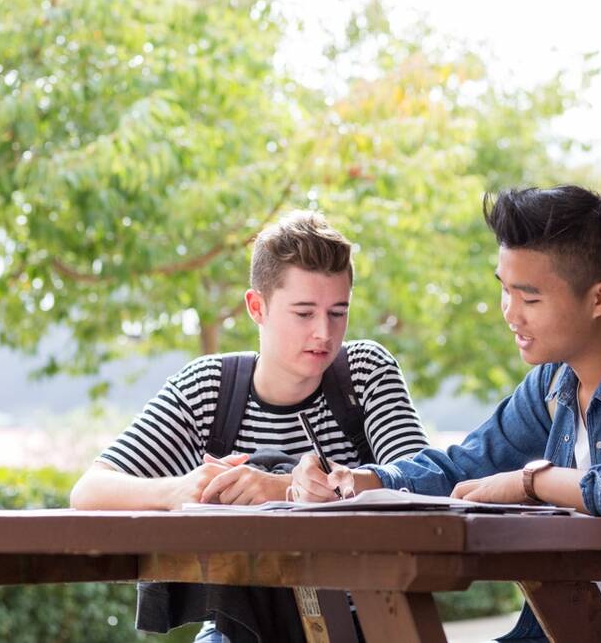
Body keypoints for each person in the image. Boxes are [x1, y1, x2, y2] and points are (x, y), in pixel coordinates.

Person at [292, 186, 601, 641]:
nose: (509, 313)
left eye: (530, 299)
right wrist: (368, 481)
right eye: (504, 290)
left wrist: (534, 482)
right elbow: (466, 465)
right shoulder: (553, 382)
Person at [71, 210, 430, 642]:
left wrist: (282, 493)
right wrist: (179, 491)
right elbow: (89, 491)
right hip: (237, 628)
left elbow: (422, 487)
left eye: (338, 312)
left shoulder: (365, 373)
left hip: (368, 619)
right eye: (303, 313)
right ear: (256, 307)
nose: (324, 333)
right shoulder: (207, 388)